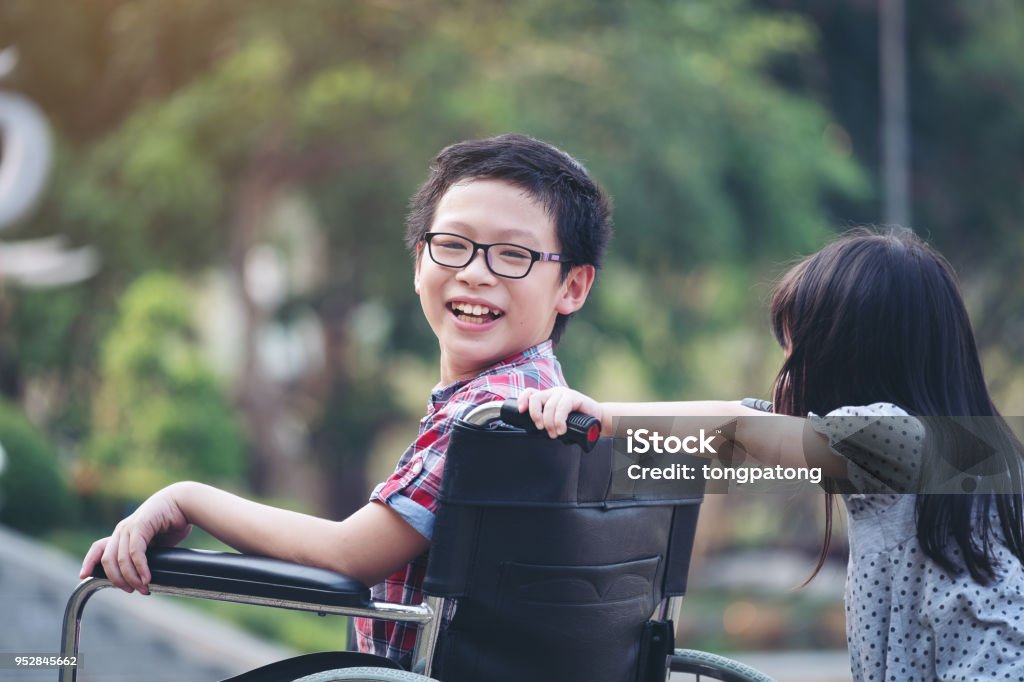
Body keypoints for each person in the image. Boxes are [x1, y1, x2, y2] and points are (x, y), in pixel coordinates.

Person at [80, 133, 613, 668]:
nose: (475, 272)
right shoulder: (547, 401)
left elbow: (349, 555)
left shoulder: (491, 415)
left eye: (512, 255)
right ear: (418, 263)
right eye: (452, 244)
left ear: (573, 286)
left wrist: (185, 498)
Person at [519, 227, 1024, 681]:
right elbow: (748, 420)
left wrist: (603, 416)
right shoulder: (966, 448)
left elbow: (740, 428)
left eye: (794, 345)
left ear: (847, 354)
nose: (787, 365)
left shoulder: (895, 438)